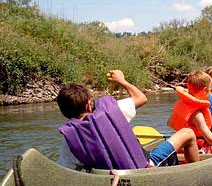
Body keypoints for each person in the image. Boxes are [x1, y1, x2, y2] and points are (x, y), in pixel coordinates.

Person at [57, 69, 199, 171]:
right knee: (188, 133)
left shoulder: (70, 139)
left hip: (108, 181)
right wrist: (121, 81)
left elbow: (67, 171)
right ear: (89, 104)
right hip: (144, 168)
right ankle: (194, 176)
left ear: (64, 112)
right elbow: (141, 98)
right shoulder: (113, 110)